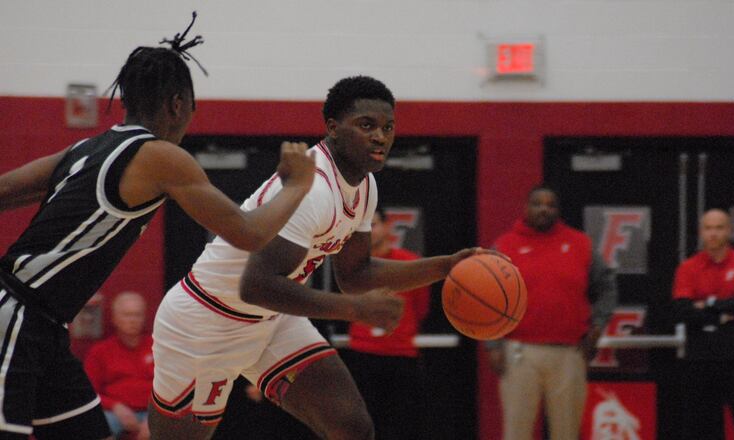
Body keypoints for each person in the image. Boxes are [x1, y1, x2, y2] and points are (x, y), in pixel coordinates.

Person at [0, 13, 314, 440]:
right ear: (177, 104)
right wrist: (296, 185)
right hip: (16, 314)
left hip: (45, 328)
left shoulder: (86, 148)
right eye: (192, 112)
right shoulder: (161, 156)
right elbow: (249, 234)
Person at [148, 75, 491, 440]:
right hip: (206, 320)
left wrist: (445, 266)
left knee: (351, 426)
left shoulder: (365, 186)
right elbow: (257, 286)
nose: (380, 136)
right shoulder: (314, 190)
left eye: (388, 127)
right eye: (366, 125)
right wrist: (355, 311)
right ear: (333, 128)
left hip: (270, 320)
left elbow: (356, 274)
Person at [486, 185, 617, 440]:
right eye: (537, 203)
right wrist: (492, 344)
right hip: (519, 351)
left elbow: (607, 287)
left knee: (566, 433)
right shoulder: (505, 246)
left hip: (569, 353)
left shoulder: (580, 244)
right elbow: (487, 297)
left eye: (550, 205)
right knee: (516, 432)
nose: (544, 209)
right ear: (526, 207)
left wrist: (598, 325)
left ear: (558, 210)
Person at [673, 209, 734, 440]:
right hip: (700, 357)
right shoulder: (688, 267)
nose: (713, 233)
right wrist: (726, 311)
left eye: (719, 227)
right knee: (702, 426)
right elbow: (683, 310)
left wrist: (708, 305)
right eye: (708, 228)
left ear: (729, 231)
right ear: (701, 232)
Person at [342, 207, 431, 440]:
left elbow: (421, 308)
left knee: (402, 427)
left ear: (387, 227)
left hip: (401, 356)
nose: (369, 231)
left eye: (374, 224)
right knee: (359, 427)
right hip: (362, 354)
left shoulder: (410, 264)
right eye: (363, 227)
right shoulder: (349, 267)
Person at [84, 292, 153, 440]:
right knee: (95, 425)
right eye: (127, 315)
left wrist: (154, 418)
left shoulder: (158, 348)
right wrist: (115, 406)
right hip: (114, 413)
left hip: (153, 412)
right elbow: (88, 392)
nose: (132, 320)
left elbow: (171, 390)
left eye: (137, 315)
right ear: (115, 318)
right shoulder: (100, 351)